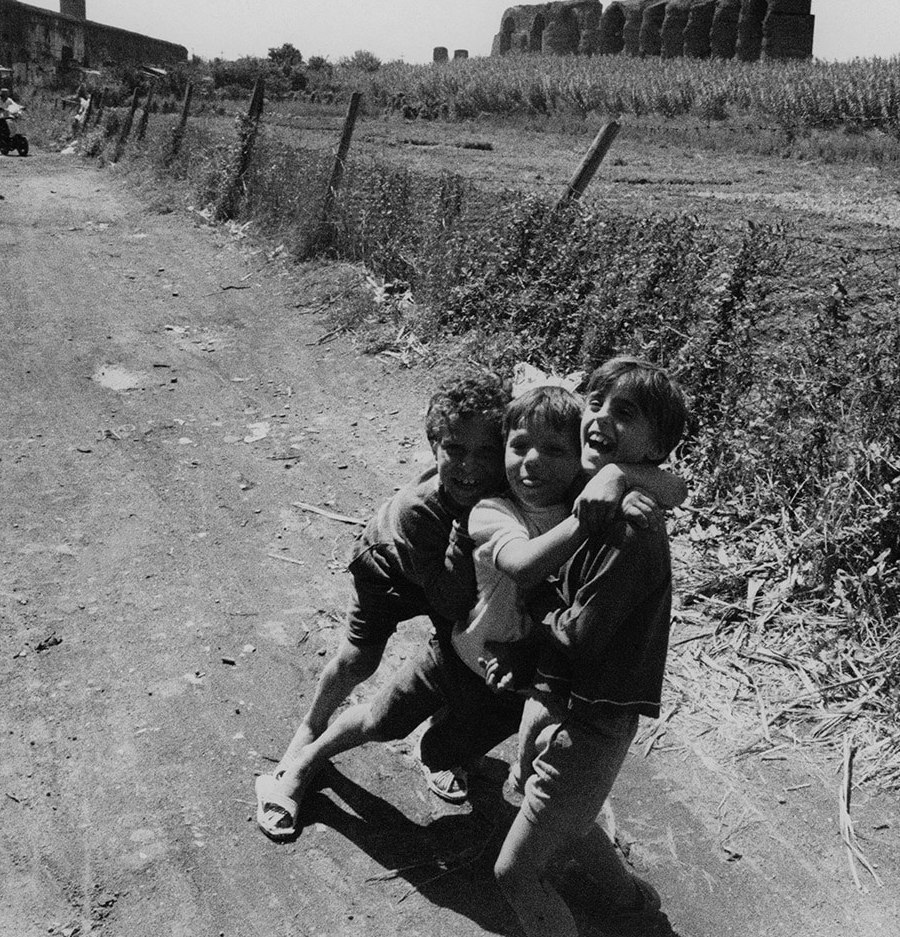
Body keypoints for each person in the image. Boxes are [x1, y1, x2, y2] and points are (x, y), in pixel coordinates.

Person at [254, 364, 514, 841]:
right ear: (433, 447)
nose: (470, 466)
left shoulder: (509, 487)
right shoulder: (421, 510)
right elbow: (448, 600)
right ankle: (310, 730)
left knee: (459, 650)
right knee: (358, 658)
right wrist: (464, 527)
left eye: (487, 452)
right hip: (392, 567)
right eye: (455, 449)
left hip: (455, 582)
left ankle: (443, 746)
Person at [491, 357, 688, 937]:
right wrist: (619, 477)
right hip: (562, 701)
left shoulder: (630, 528)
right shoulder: (597, 491)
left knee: (516, 876)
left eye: (623, 413)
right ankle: (630, 903)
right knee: (554, 809)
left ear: (659, 443)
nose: (599, 418)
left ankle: (624, 905)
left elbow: (577, 636)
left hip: (592, 720)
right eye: (595, 404)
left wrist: (519, 635)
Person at [453, 374, 681, 799]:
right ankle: (303, 760)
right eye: (520, 446)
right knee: (400, 722)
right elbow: (524, 569)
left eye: (555, 449)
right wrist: (594, 507)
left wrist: (616, 478)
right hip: (478, 645)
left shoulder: (582, 484)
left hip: (532, 660)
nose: (534, 461)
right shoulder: (499, 504)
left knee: (527, 763)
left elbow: (677, 488)